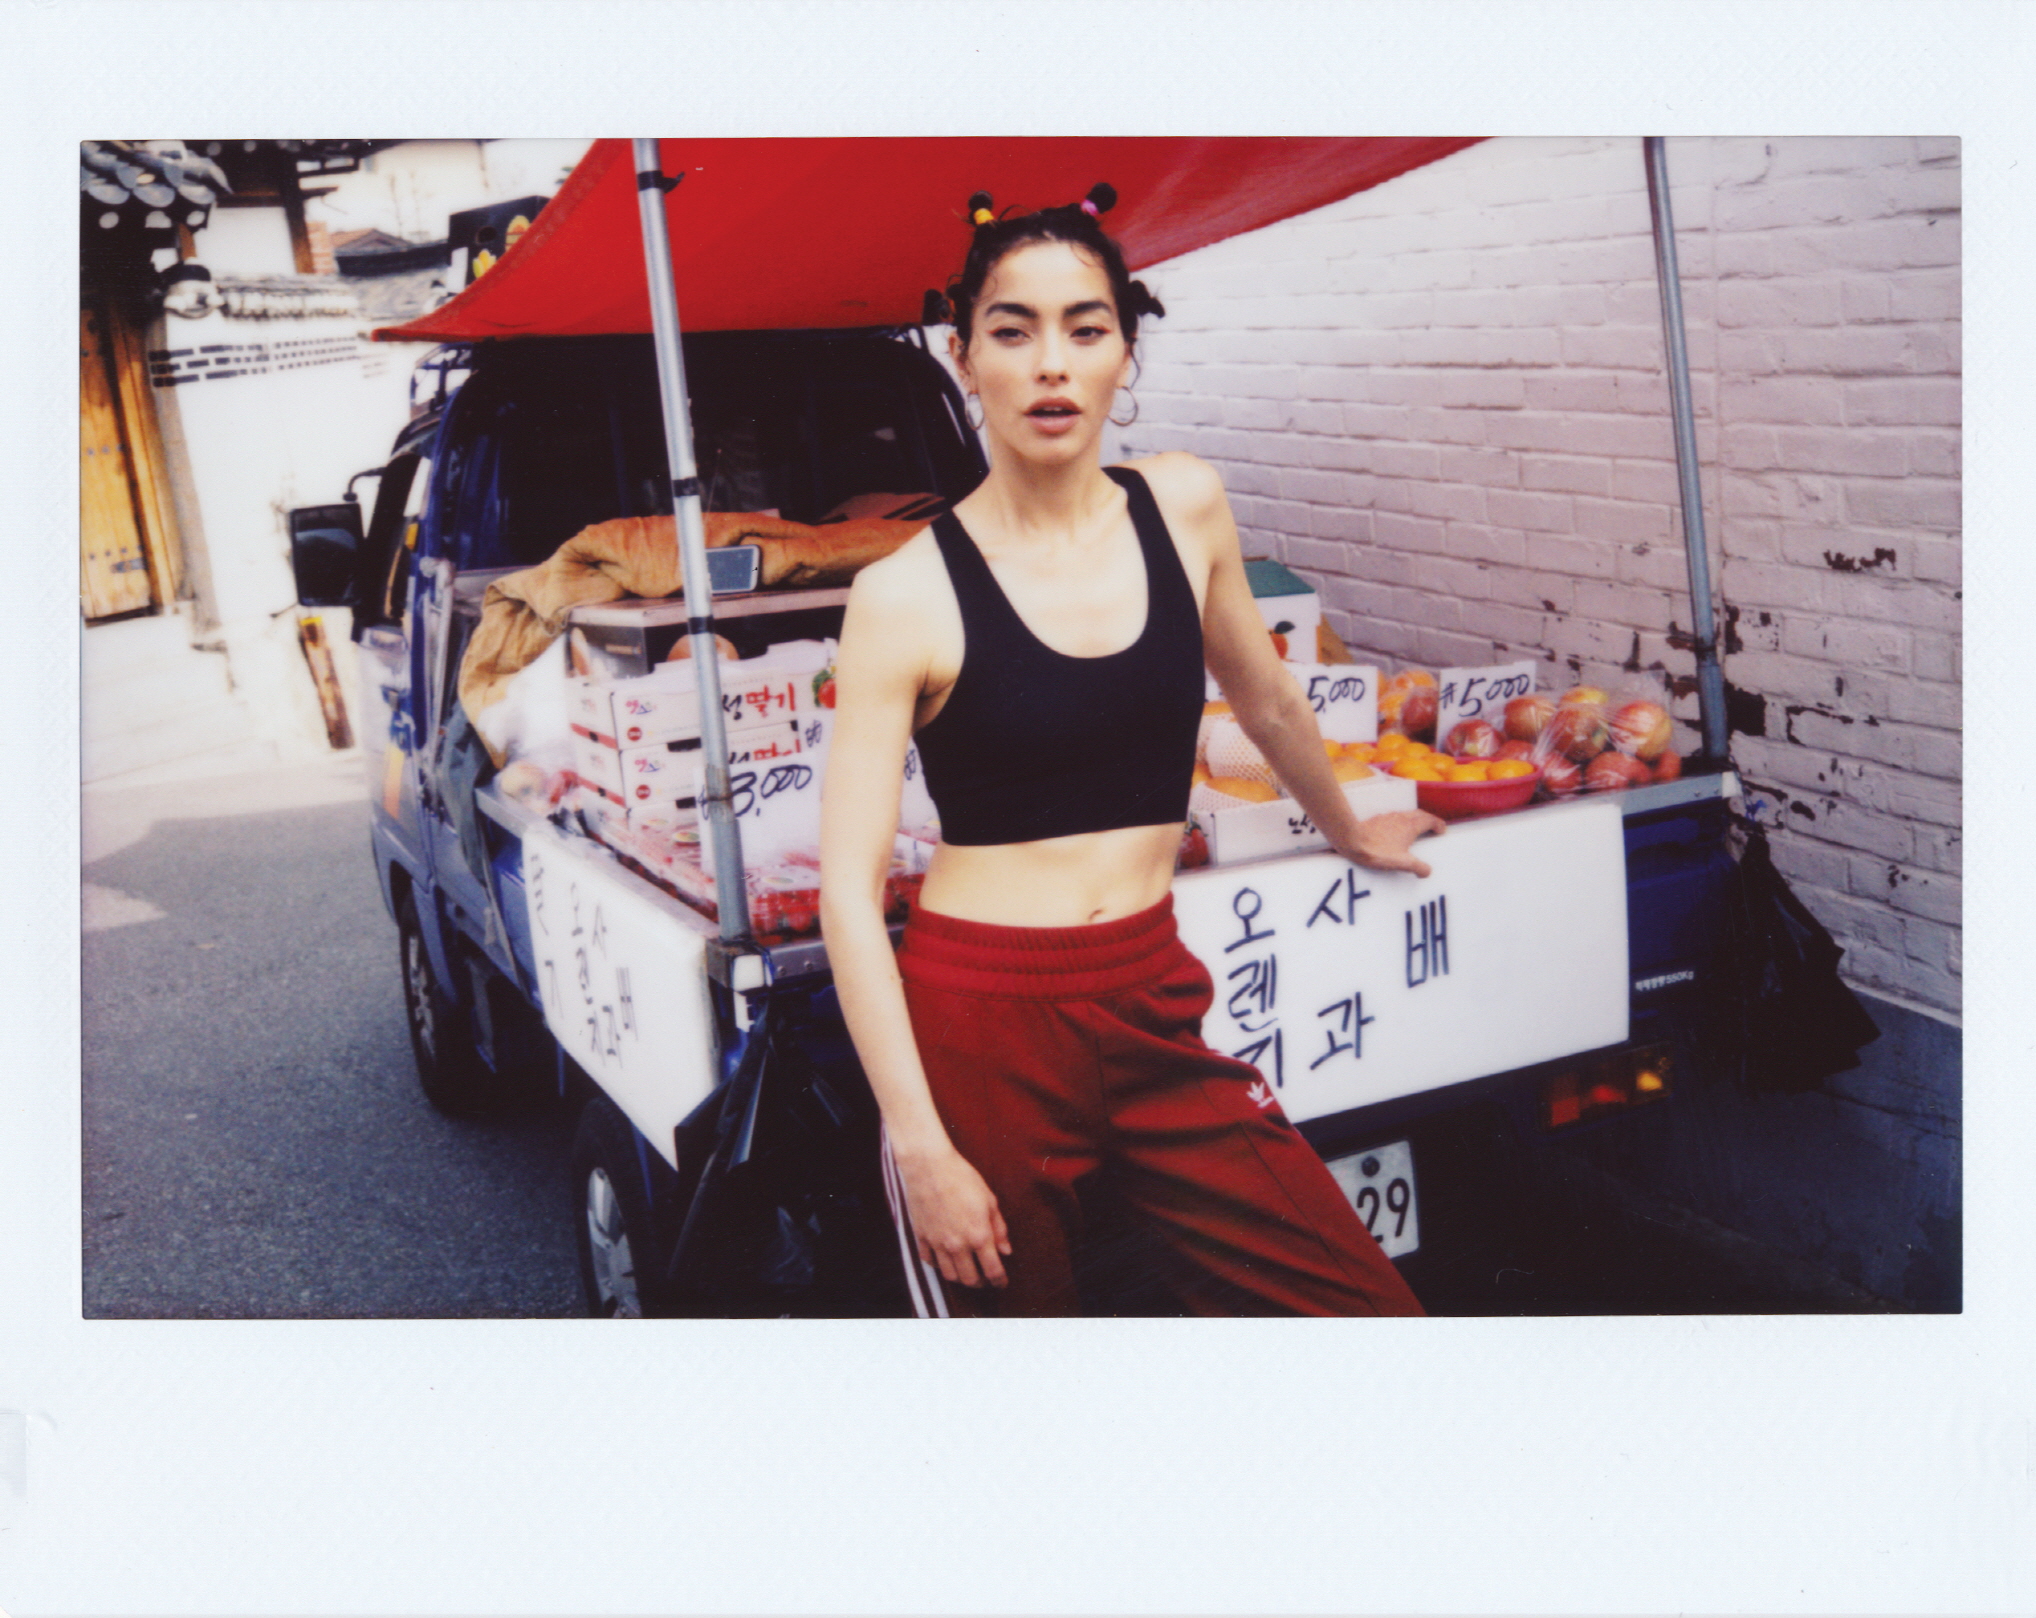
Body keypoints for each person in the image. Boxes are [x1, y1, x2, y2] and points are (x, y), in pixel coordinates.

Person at [818, 184, 1444, 1316]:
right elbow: (849, 897)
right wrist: (918, 1146)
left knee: (1361, 1310)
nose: (1051, 365)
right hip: (984, 1025)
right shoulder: (902, 595)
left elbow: (1266, 699)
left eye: (1085, 327)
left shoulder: (1182, 504)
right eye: (1013, 331)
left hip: (1153, 994)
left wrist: (1350, 827)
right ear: (964, 357)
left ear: (1125, 351)